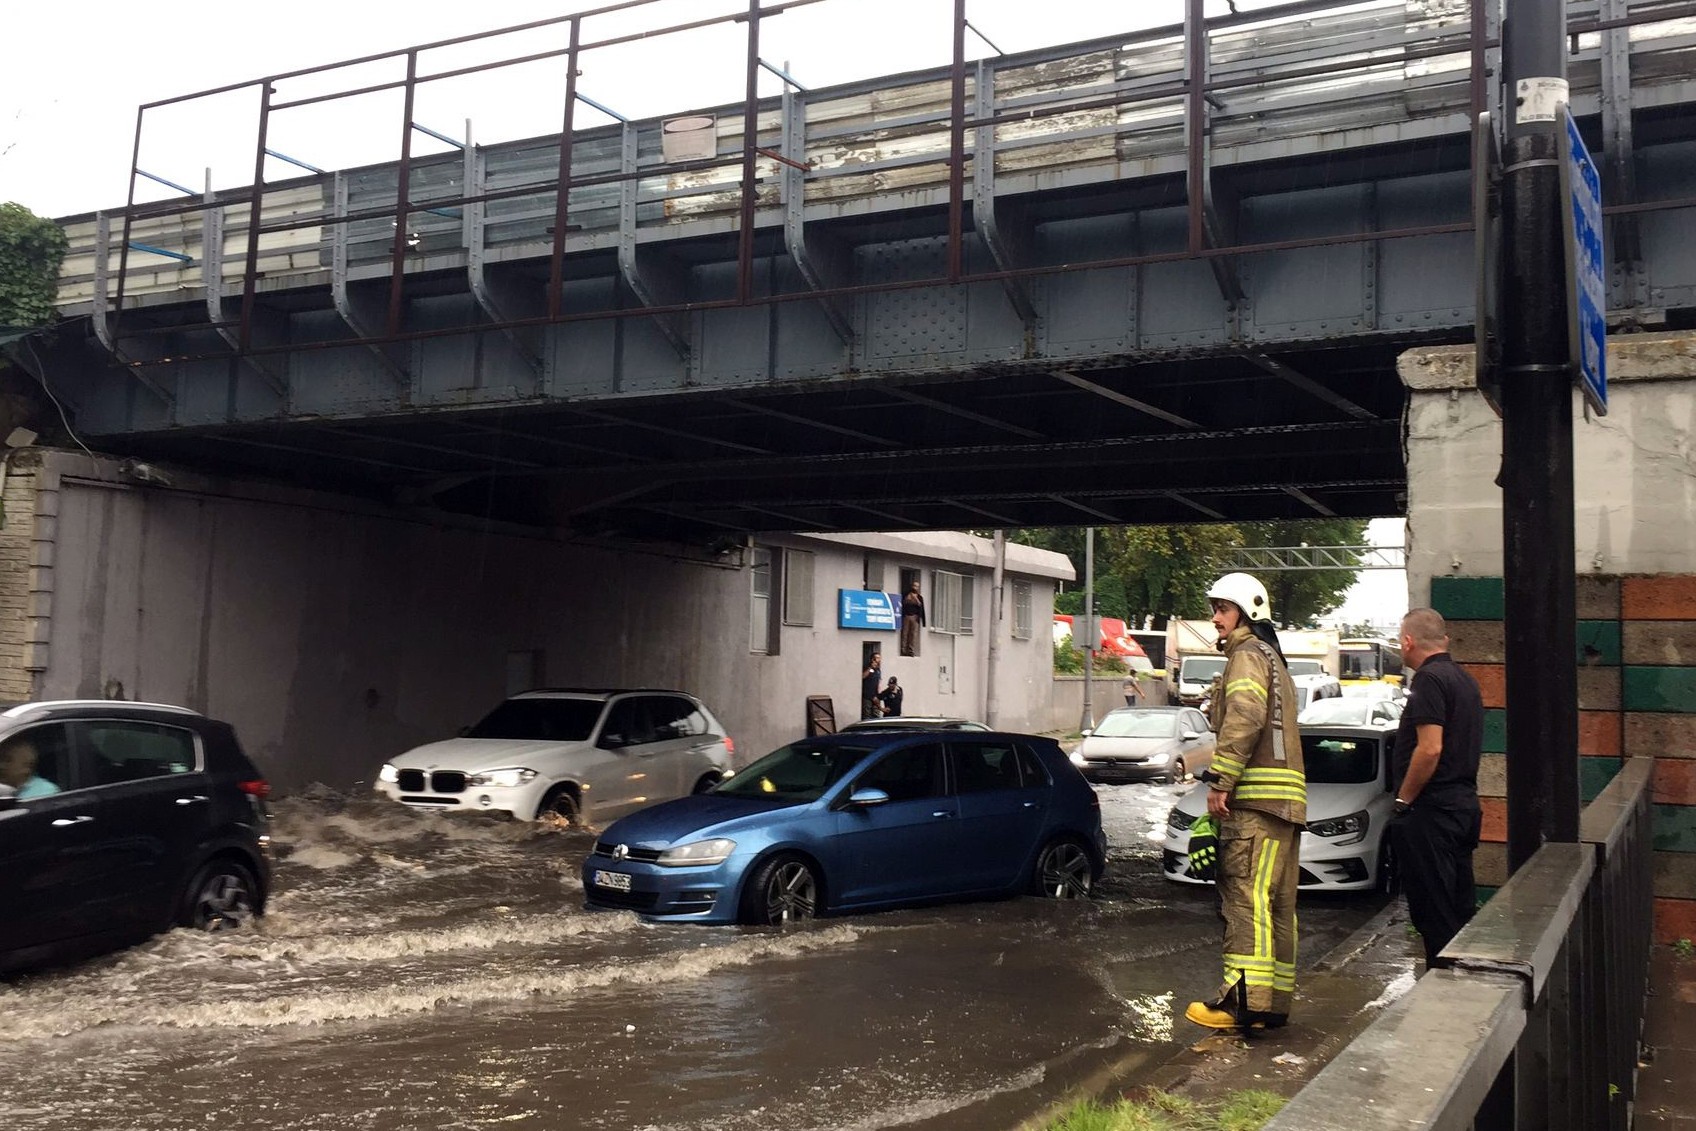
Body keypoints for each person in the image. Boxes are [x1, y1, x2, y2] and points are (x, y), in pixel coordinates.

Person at [1185, 572, 1306, 1033]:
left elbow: (1244, 718)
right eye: (1214, 608)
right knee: (1277, 907)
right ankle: (1271, 1005)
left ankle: (1239, 1003)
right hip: (1285, 808)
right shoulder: (1275, 660)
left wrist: (1221, 780)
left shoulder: (1246, 657)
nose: (1215, 617)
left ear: (1247, 613)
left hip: (1255, 807)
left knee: (1244, 901)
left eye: (1223, 609)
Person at [1389, 607, 1484, 967]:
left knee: (1434, 915)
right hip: (1462, 809)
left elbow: (1430, 747)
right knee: (1458, 911)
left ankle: (1442, 998)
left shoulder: (1428, 681)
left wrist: (1403, 801)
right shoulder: (1464, 680)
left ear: (1408, 641)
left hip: (1432, 815)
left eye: (1401, 641)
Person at [899, 581, 926, 657]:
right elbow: (902, 602)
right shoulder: (907, 595)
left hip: (915, 617)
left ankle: (911, 650)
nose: (915, 587)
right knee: (905, 633)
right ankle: (903, 649)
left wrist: (923, 621)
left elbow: (922, 608)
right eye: (914, 585)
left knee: (913, 635)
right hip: (907, 616)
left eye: (917, 586)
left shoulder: (920, 597)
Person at [861, 652, 883, 719]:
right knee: (867, 715)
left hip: (875, 696)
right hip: (867, 696)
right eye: (877, 658)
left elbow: (879, 682)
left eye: (879, 658)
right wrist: (870, 668)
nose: (879, 660)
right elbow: (863, 676)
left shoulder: (878, 670)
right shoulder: (868, 667)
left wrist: (879, 695)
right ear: (872, 659)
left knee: (876, 714)